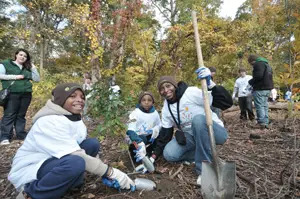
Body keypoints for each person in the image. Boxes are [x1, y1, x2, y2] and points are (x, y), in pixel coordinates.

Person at [8, 83, 135, 199]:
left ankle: (71, 181)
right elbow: (77, 155)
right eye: (72, 96)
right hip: (33, 166)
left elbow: (78, 147)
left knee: (91, 144)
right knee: (76, 162)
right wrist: (110, 172)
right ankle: (31, 194)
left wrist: (98, 166)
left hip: (53, 160)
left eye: (82, 97)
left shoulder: (73, 118)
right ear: (60, 100)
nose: (79, 100)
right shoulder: (49, 121)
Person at [137, 67, 231, 185]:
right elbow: (165, 135)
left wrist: (210, 84)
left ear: (174, 85)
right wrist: (152, 157)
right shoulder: (166, 108)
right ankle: (205, 152)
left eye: (168, 86)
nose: (166, 90)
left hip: (214, 132)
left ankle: (203, 170)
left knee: (198, 120)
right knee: (169, 154)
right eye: (162, 89)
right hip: (192, 137)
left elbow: (226, 103)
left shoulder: (190, 93)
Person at [0, 49, 40, 145]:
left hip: (26, 94)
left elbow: (37, 79)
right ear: (16, 55)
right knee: (9, 115)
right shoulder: (5, 64)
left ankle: (21, 134)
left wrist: (33, 67)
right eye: (21, 55)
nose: (22, 57)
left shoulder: (27, 67)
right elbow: (1, 76)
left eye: (25, 56)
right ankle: (5, 137)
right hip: (12, 93)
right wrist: (15, 77)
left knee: (21, 115)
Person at [125, 91, 161, 167]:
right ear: (140, 102)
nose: (146, 102)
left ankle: (150, 153)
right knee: (142, 139)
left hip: (148, 135)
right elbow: (130, 130)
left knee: (158, 137)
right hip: (136, 137)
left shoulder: (155, 113)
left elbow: (159, 124)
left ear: (153, 102)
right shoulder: (135, 113)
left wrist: (156, 129)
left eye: (149, 100)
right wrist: (138, 141)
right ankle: (135, 154)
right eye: (144, 100)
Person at [248, 55, 274, 129]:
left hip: (260, 88)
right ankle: (266, 121)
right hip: (268, 88)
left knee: (259, 106)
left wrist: (250, 82)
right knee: (264, 105)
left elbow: (258, 76)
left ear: (252, 61)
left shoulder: (258, 64)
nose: (251, 65)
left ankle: (262, 123)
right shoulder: (267, 64)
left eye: (251, 63)